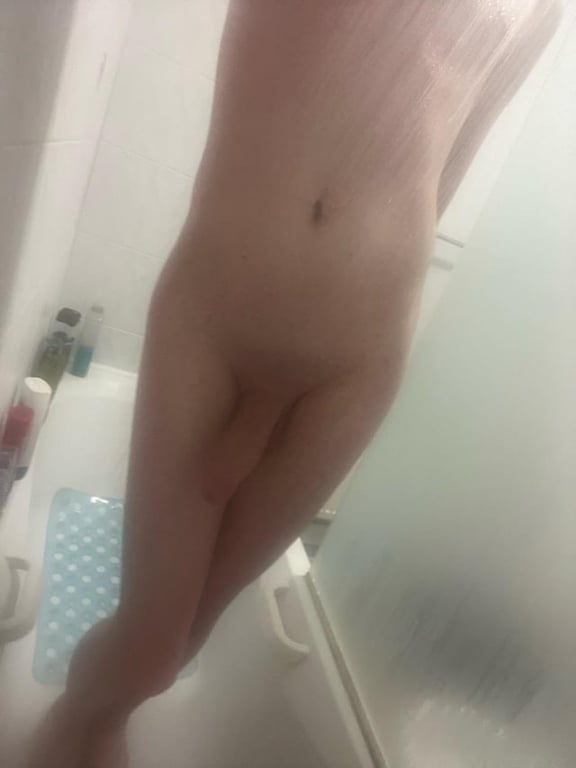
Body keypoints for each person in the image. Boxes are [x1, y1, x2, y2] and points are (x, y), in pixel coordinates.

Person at [29, 0, 562, 766]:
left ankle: (99, 727)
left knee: (184, 643)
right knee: (149, 645)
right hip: (217, 315)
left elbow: (453, 158)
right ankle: (75, 724)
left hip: (356, 361)